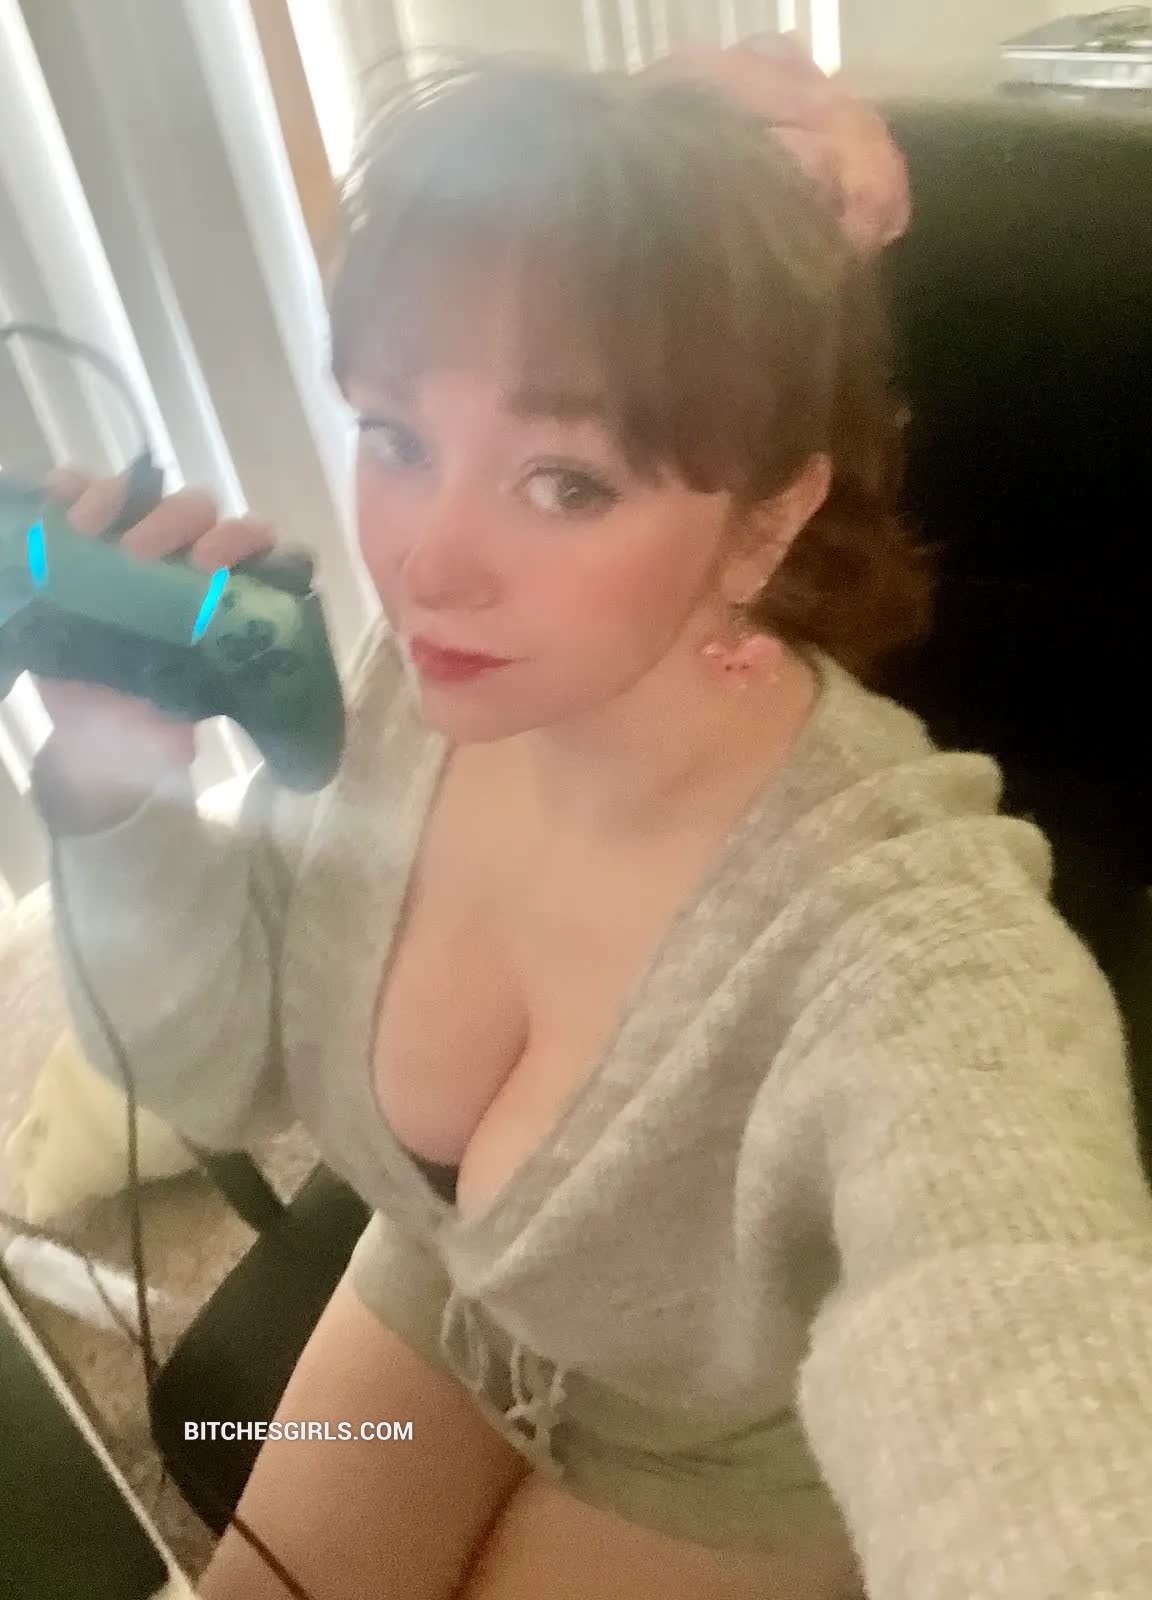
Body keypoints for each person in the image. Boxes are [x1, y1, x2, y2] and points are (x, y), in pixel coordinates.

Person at [30, 38, 1152, 1600]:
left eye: (565, 482)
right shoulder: (414, 690)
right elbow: (212, 1068)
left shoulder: (901, 928)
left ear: (767, 520)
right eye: (398, 436)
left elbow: (1018, 1313)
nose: (428, 563)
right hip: (445, 1293)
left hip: (717, 1457)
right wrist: (111, 784)